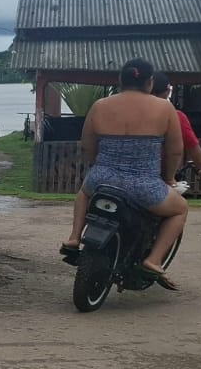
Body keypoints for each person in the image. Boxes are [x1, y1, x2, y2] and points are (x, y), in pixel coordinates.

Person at [60, 57, 187, 289]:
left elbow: (87, 145)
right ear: (150, 83)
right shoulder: (164, 108)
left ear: (120, 80)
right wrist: (168, 178)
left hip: (102, 180)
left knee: (83, 193)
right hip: (144, 185)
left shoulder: (100, 106)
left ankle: (74, 237)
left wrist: (99, 167)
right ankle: (154, 260)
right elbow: (175, 150)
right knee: (180, 210)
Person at [152, 73, 201, 181]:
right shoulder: (175, 117)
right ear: (168, 91)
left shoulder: (131, 114)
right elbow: (195, 151)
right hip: (157, 178)